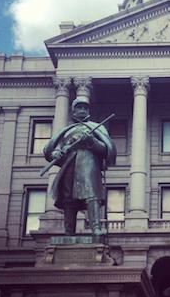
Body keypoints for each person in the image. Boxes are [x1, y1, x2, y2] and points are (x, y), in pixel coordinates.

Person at [43, 97, 116, 242]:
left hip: (89, 165)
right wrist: (56, 153)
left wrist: (92, 141)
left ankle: (96, 229)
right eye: (79, 107)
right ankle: (69, 233)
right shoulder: (66, 130)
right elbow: (53, 149)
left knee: (92, 195)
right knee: (68, 199)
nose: (82, 110)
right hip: (69, 165)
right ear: (73, 110)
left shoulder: (96, 128)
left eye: (85, 108)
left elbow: (106, 150)